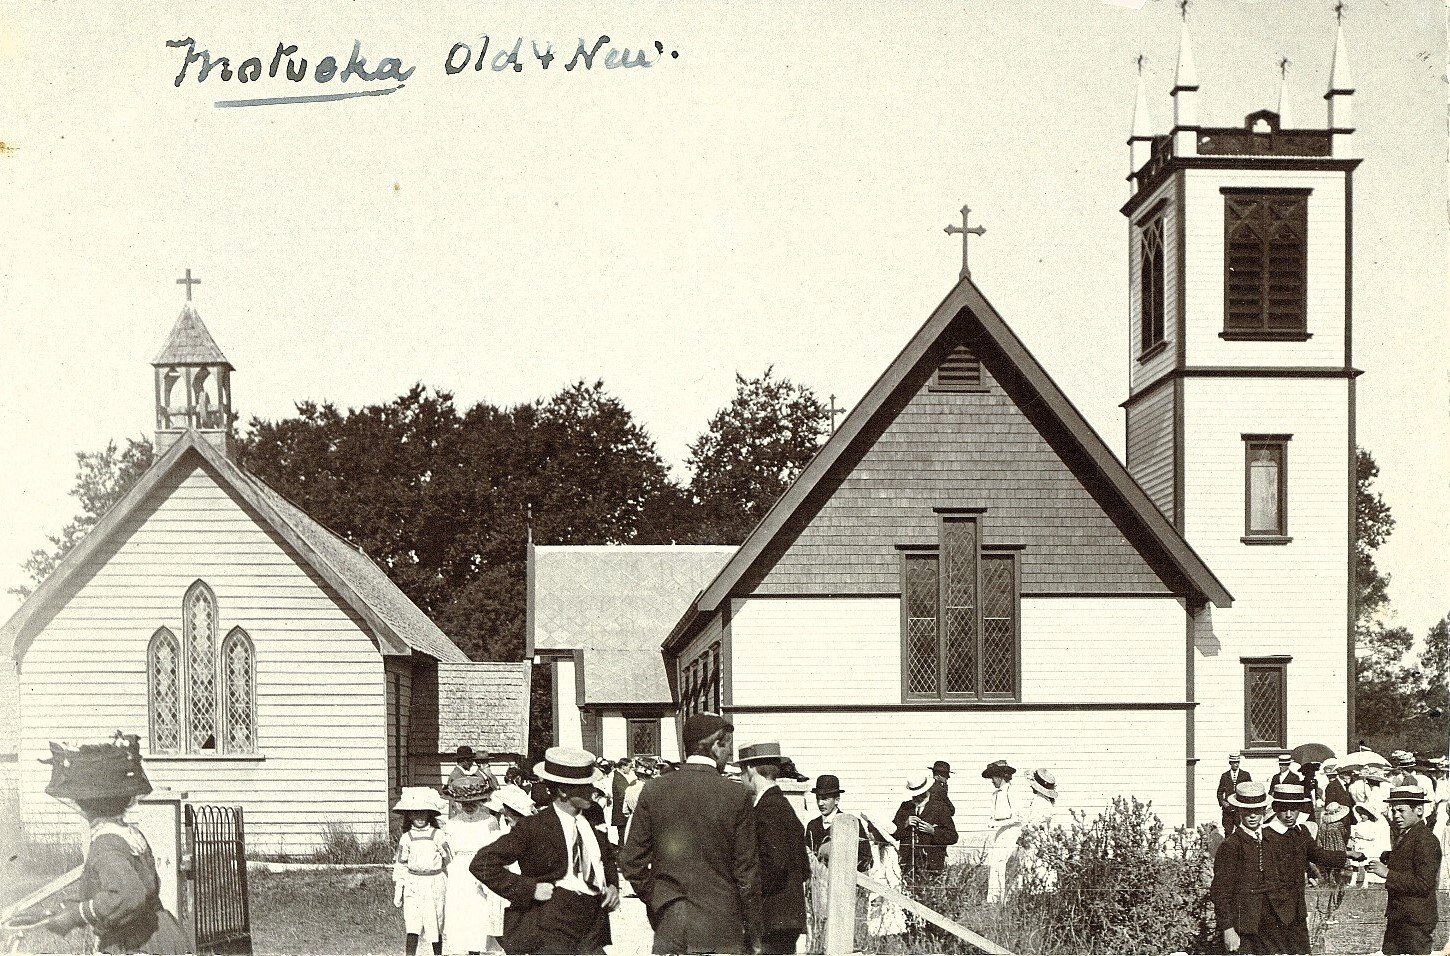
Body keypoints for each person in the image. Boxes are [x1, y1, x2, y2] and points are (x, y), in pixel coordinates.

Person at [5, 735, 187, 954]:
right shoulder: (127, 834)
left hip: (135, 944)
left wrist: (75, 915)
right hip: (159, 935)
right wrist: (54, 912)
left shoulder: (106, 843)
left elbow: (127, 896)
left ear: (86, 804)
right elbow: (110, 891)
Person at [620, 712, 763, 955]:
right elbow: (746, 872)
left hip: (671, 921)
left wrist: (660, 899)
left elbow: (631, 861)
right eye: (728, 746)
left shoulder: (654, 789)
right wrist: (754, 931)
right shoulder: (736, 795)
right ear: (717, 745)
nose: (729, 755)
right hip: (722, 926)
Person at [473, 747, 620, 955]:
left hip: (593, 923)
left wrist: (613, 884)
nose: (592, 791)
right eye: (585, 786)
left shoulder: (593, 817)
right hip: (552, 923)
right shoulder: (534, 826)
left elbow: (605, 857)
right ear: (563, 791)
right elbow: (482, 863)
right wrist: (530, 888)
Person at [1263, 784, 1362, 954]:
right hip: (1273, 908)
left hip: (1296, 907)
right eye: (1284, 810)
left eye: (1293, 810)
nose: (1288, 815)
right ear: (1275, 808)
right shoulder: (1266, 836)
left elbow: (1316, 854)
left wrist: (1347, 855)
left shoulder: (1301, 832)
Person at [738, 743, 809, 956]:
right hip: (785, 918)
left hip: (771, 920)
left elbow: (774, 864)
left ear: (750, 770)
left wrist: (749, 897)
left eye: (741, 771)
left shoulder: (768, 809)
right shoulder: (782, 805)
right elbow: (804, 868)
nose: (741, 779)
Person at [1211, 782, 1291, 953]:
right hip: (1244, 927)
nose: (1252, 815)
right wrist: (1228, 929)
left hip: (1272, 925)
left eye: (1257, 810)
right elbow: (1220, 891)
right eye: (1247, 811)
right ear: (1239, 811)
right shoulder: (1231, 845)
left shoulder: (1270, 840)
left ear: (1264, 810)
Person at [1365, 785, 1442, 955]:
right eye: (1393, 811)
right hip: (1400, 916)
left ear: (1419, 810)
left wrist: (1387, 873)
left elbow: (1423, 883)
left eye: (1401, 810)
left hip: (1415, 921)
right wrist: (1389, 857)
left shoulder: (1426, 840)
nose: (1396, 816)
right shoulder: (1409, 835)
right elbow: (1408, 862)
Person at [443, 775, 506, 955]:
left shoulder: (489, 821)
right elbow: (450, 851)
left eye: (473, 802)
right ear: (458, 803)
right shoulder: (452, 823)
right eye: (464, 803)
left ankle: (476, 950)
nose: (469, 807)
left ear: (480, 800)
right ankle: (461, 949)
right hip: (459, 870)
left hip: (481, 867)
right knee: (460, 909)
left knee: (479, 910)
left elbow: (495, 848)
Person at [394, 787, 453, 956]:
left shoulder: (438, 835)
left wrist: (453, 882)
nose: (419, 817)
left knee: (435, 920)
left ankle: (437, 954)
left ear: (430, 814)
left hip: (435, 883)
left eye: (423, 813)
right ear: (409, 815)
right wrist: (399, 888)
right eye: (415, 813)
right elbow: (401, 864)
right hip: (414, 883)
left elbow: (449, 860)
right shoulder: (407, 838)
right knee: (413, 922)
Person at [892, 773, 958, 884]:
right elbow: (892, 834)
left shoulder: (939, 808)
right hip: (907, 864)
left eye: (919, 794)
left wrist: (933, 831)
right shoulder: (905, 807)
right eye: (913, 795)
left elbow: (953, 836)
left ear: (926, 791)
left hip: (932, 865)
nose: (916, 798)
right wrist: (905, 824)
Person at [805, 774, 872, 871]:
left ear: (837, 800)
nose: (820, 803)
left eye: (825, 798)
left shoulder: (851, 823)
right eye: (818, 798)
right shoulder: (813, 825)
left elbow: (866, 860)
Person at [981, 759, 1020, 904]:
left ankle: (1005, 900)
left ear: (1002, 776)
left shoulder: (1012, 791)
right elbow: (993, 816)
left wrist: (999, 822)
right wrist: (994, 823)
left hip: (1012, 833)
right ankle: (993, 900)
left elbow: (1018, 817)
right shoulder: (995, 795)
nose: (992, 780)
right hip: (999, 834)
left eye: (994, 777)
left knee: (1004, 865)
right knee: (995, 865)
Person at [1314, 802, 1353, 905]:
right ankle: (1338, 895)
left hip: (1326, 851)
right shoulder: (1339, 825)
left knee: (1329, 873)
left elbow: (1319, 840)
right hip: (1338, 850)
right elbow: (1344, 835)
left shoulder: (1322, 826)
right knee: (1341, 873)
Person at [449, 747, 491, 816]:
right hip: (460, 814)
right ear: (465, 761)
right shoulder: (457, 776)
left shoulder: (459, 774)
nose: (472, 763)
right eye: (471, 760)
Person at [1217, 753, 1251, 834]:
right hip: (1228, 809)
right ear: (1230, 763)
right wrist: (1222, 802)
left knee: (1242, 831)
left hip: (1240, 808)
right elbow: (1219, 792)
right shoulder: (1225, 776)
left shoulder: (1245, 775)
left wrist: (1245, 804)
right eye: (1234, 762)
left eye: (1237, 762)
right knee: (1228, 831)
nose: (1236, 764)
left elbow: (1250, 790)